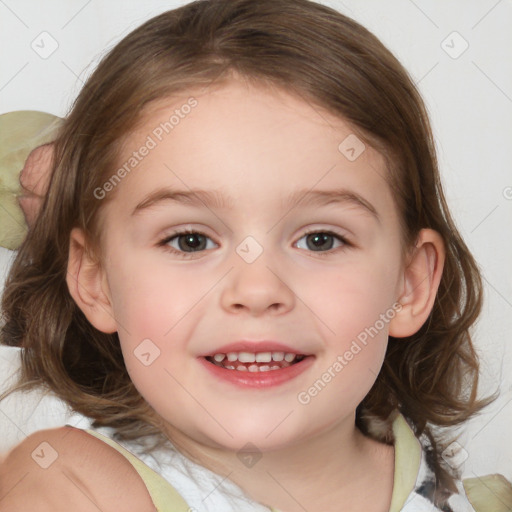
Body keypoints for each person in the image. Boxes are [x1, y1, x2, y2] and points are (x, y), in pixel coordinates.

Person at [0, 0, 507, 510]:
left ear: (410, 284)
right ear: (95, 279)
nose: (258, 290)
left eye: (320, 239)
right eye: (190, 240)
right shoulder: (70, 487)